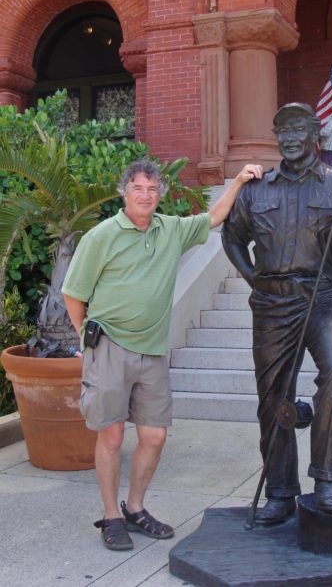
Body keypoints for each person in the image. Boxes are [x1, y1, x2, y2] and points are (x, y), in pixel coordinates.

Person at [62, 159, 262, 550]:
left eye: (153, 190)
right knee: (113, 435)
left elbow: (214, 217)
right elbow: (73, 294)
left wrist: (237, 180)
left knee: (153, 435)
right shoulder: (103, 235)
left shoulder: (171, 230)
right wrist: (87, 336)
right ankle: (111, 516)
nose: (146, 195)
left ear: (160, 195)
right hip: (110, 347)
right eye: (138, 188)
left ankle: (135, 508)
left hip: (152, 350)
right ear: (125, 191)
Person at [221, 103, 332, 525]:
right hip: (271, 304)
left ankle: (327, 482)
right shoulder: (258, 190)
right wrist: (253, 278)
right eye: (282, 130)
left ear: (315, 135)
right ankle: (280, 493)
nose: (289, 138)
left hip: (322, 299)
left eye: (297, 130)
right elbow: (231, 237)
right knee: (273, 399)